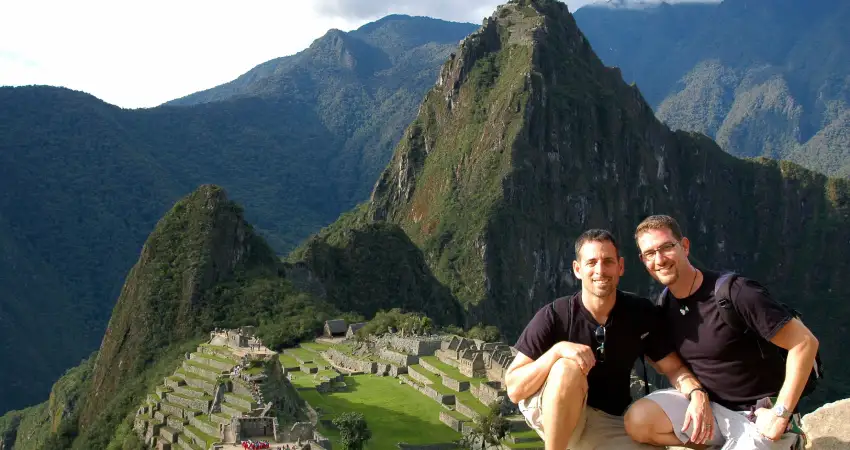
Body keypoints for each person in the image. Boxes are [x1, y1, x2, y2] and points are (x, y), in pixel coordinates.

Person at [505, 229, 716, 450]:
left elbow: (673, 368)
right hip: (556, 414)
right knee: (567, 368)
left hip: (609, 421)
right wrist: (557, 351)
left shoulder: (639, 313)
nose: (600, 270)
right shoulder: (555, 315)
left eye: (608, 262)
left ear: (620, 267)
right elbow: (514, 389)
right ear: (577, 269)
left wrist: (697, 393)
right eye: (591, 262)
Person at [627, 215, 820, 449]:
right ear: (643, 259)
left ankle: (789, 439)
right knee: (639, 421)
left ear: (684, 246)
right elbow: (675, 367)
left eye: (667, 247)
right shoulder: (666, 304)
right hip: (713, 411)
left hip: (760, 415)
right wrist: (697, 395)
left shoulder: (735, 293)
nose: (659, 259)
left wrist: (781, 413)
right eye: (650, 253)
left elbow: (804, 342)